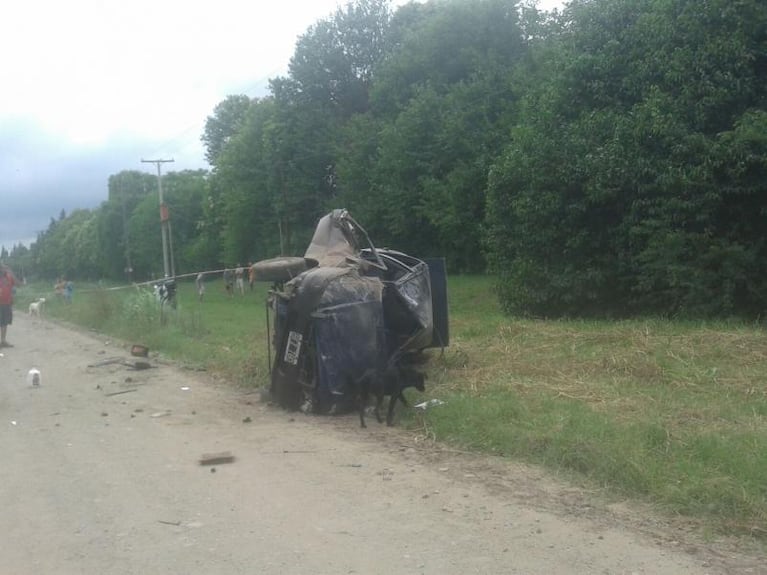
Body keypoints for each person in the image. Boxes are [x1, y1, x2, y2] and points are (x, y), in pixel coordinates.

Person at [0, 263, 17, 348]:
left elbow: (17, 284)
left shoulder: (9, 277)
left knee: (4, 322)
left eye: (4, 268)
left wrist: (11, 272)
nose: (3, 269)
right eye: (1, 268)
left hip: (6, 303)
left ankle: (3, 341)